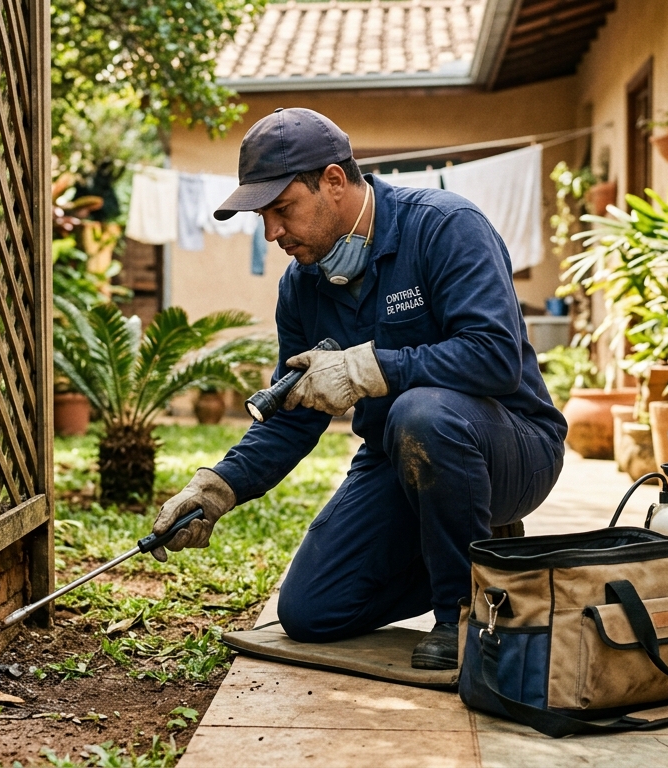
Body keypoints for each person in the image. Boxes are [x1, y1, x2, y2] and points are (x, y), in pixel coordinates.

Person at [150, 108, 566, 669]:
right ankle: (489, 554)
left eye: (282, 209)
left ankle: (462, 613)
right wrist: (218, 488)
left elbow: (494, 357)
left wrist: (367, 368)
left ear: (333, 181)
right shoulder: (301, 288)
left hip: (513, 448)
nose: (272, 233)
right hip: (399, 457)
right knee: (311, 612)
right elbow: (293, 416)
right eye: (263, 217)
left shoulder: (444, 227)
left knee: (423, 413)